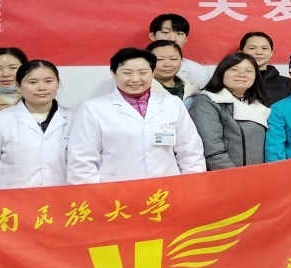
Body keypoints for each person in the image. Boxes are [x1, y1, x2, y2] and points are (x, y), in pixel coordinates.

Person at [66, 47, 204, 183]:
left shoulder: (172, 103)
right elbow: (82, 160)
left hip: (166, 188)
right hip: (116, 191)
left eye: (143, 72)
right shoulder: (93, 109)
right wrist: (92, 194)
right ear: (114, 73)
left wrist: (192, 186)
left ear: (152, 73)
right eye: (127, 73)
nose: (135, 79)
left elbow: (190, 151)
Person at [0, 60, 74, 188]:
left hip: (61, 196)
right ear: (19, 86)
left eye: (48, 81)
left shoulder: (75, 119)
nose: (42, 88)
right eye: (33, 82)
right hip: (11, 198)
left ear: (58, 84)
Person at [188, 53, 270, 170]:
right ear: (222, 72)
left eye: (248, 71)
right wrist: (233, 176)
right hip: (227, 175)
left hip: (258, 174)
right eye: (234, 69)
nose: (242, 74)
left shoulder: (258, 105)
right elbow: (212, 148)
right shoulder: (207, 102)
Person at [149, 13, 210, 88]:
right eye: (165, 32)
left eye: (179, 33)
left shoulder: (198, 71)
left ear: (185, 39)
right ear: (152, 35)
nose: (172, 39)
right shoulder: (137, 66)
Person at [239, 32, 291, 105]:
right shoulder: (233, 80)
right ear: (241, 52)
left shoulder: (287, 84)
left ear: (271, 52)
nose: (259, 52)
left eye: (264, 48)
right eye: (252, 48)